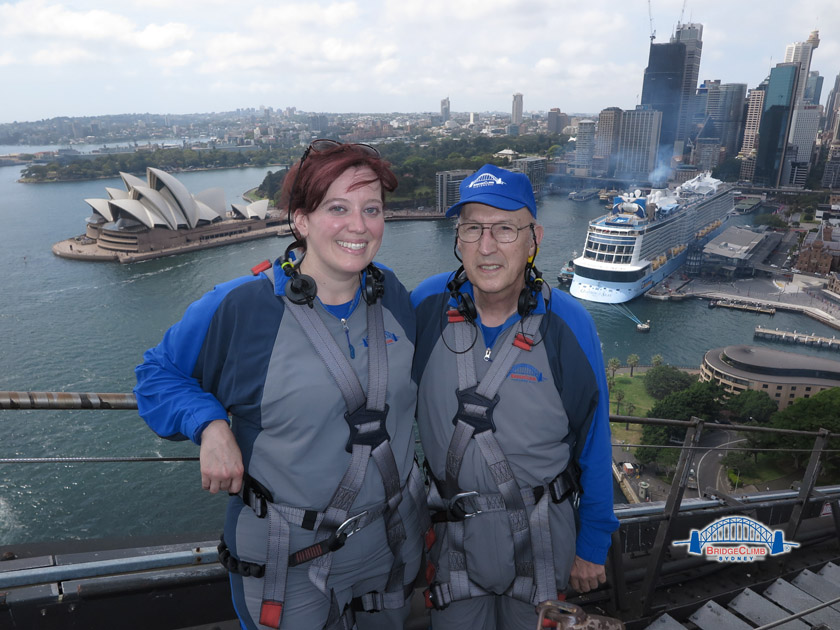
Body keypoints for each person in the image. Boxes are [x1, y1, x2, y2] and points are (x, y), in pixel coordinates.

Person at [135, 140, 425, 630]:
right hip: (289, 558)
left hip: (390, 543)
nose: (359, 225)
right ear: (301, 220)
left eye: (371, 209)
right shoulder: (240, 307)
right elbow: (156, 375)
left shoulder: (393, 295)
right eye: (338, 208)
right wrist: (209, 425)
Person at [411, 164, 619, 629]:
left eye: (505, 229)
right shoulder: (425, 308)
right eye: (472, 229)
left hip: (544, 537)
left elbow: (594, 438)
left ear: (534, 239)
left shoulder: (568, 323)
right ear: (458, 239)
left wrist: (593, 544)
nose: (487, 246)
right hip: (453, 537)